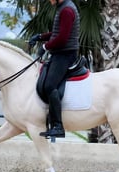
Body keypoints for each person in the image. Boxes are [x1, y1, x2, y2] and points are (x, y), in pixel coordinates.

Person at [29, 0, 80, 138]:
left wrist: (45, 47)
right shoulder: (63, 7)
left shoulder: (67, 10)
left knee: (50, 85)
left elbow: (62, 39)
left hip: (65, 54)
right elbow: (58, 32)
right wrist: (40, 37)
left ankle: (57, 126)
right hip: (60, 53)